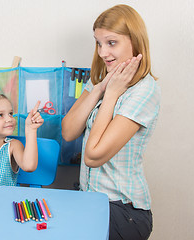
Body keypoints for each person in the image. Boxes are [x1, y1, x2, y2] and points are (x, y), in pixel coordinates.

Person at [61, 4, 160, 240]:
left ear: (135, 42)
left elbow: (93, 156)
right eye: (98, 43)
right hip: (91, 200)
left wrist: (112, 94)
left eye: (111, 42)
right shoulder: (102, 80)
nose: (103, 52)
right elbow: (68, 131)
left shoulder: (144, 91)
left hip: (123, 210)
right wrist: (100, 89)